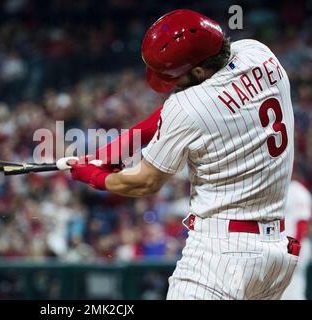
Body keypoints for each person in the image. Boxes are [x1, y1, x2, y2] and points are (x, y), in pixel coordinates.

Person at [70, 9, 298, 300]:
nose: (171, 83)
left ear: (199, 71)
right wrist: (122, 145)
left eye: (175, 76)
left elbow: (144, 182)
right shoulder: (258, 52)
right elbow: (182, 112)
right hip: (275, 255)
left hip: (220, 256)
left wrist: (93, 176)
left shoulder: (188, 106)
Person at [281, 178, 311, 299]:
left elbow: (301, 224)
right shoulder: (288, 189)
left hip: (296, 248)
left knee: (294, 288)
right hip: (290, 247)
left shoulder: (299, 192)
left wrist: (294, 251)